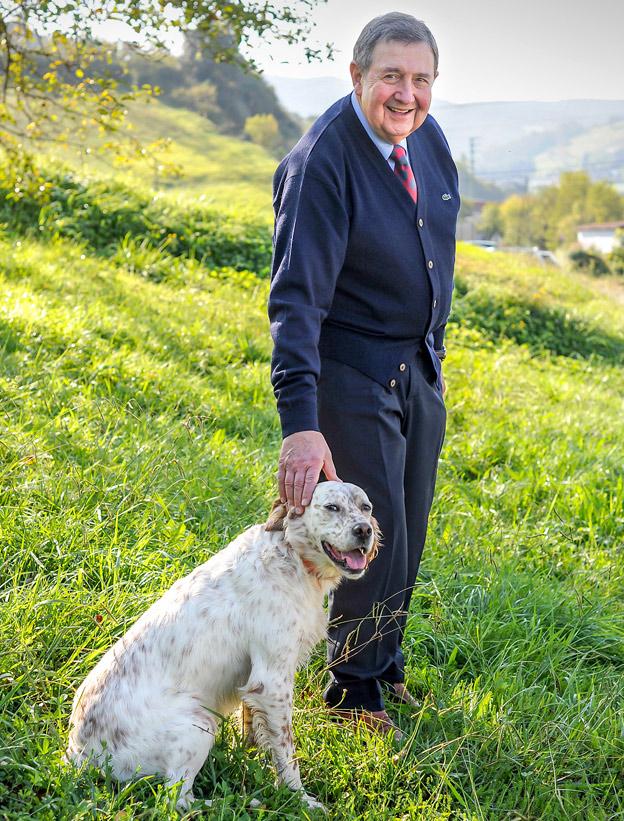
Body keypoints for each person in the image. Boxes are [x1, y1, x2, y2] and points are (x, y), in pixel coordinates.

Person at [268, 11, 459, 737]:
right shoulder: (322, 164)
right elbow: (294, 302)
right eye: (391, 77)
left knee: (406, 533)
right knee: (365, 543)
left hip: (416, 369)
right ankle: (351, 691)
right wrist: (302, 425)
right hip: (349, 373)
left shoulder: (425, 139)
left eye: (421, 79)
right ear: (357, 77)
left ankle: (384, 666)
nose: (406, 94)